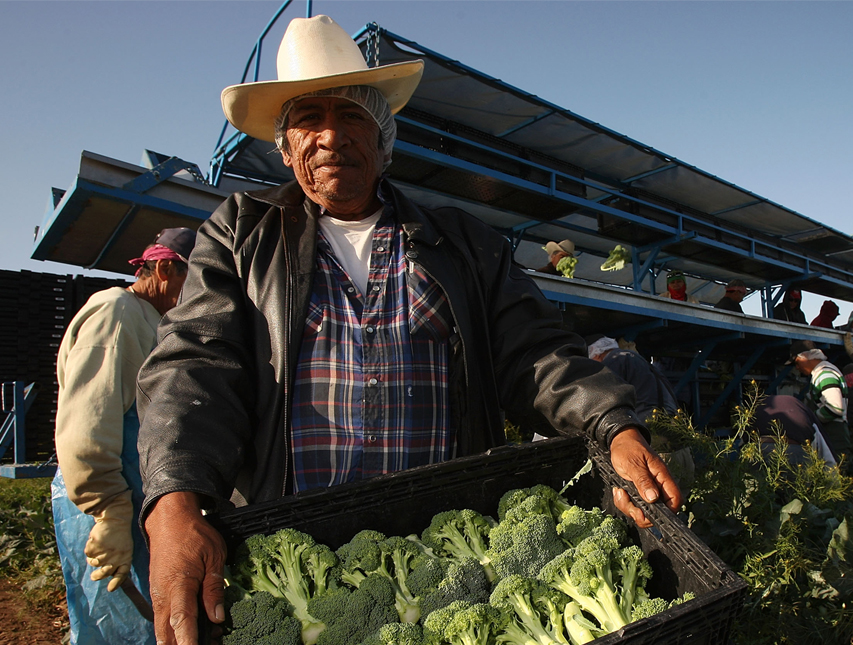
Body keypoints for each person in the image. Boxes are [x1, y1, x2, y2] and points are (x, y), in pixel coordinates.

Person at [133, 16, 680, 645]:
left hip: (441, 547)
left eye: (352, 117)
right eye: (308, 118)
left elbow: (534, 353)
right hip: (300, 539)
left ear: (384, 138)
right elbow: (194, 364)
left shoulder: (462, 241)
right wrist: (174, 497)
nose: (330, 136)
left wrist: (610, 424)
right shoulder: (241, 235)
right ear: (285, 149)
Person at [52, 227, 195, 645]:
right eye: (195, 279)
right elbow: (87, 419)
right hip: (111, 503)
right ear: (166, 268)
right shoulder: (117, 312)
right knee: (119, 627)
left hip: (141, 498)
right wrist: (107, 510)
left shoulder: (157, 319)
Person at [588, 336, 679, 421]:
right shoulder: (633, 357)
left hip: (646, 418)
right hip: (666, 413)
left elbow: (604, 396)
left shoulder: (613, 360)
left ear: (597, 354)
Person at [788, 340, 851, 457]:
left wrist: (810, 419)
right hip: (834, 434)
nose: (797, 367)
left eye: (797, 362)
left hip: (833, 436)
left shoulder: (825, 374)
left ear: (805, 357)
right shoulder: (823, 372)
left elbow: (835, 408)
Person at [751, 395, 837, 467]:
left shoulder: (758, 409)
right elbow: (826, 456)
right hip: (796, 450)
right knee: (797, 486)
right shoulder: (803, 411)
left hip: (761, 448)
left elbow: (744, 441)